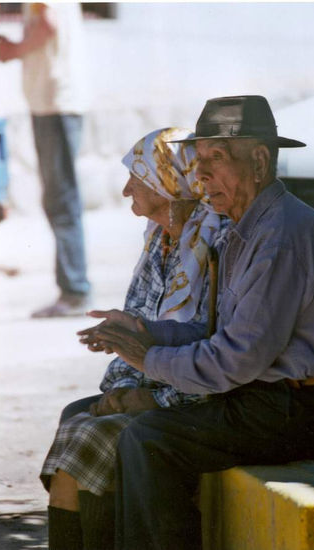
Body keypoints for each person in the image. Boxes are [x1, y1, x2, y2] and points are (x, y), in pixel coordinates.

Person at [89, 95, 314, 550]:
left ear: (259, 162)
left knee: (149, 440)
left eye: (215, 159)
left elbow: (235, 359)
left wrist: (149, 357)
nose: (200, 174)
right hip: (274, 401)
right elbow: (215, 330)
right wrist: (145, 330)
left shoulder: (281, 234)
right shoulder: (244, 227)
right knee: (137, 435)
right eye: (198, 159)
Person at [40, 127, 229, 550]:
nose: (126, 188)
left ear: (170, 181)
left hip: (196, 399)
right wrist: (124, 389)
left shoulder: (216, 243)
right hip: (153, 383)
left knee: (94, 435)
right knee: (79, 416)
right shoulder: (159, 241)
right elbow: (136, 323)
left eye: (138, 176)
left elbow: (215, 349)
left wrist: (153, 400)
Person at [0, 3, 90, 317]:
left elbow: (47, 25)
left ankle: (75, 291)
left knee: (61, 198)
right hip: (52, 103)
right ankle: (73, 288)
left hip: (55, 103)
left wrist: (13, 50)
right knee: (59, 197)